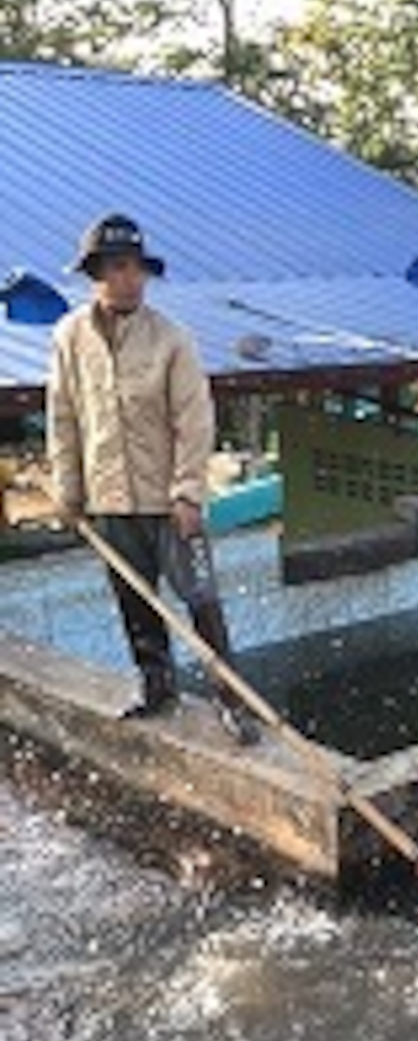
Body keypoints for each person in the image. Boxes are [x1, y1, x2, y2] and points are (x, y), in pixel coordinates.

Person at [45, 213, 260, 745]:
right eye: (118, 268)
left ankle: (231, 700)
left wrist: (189, 490)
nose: (130, 279)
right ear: (96, 272)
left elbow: (195, 420)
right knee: (135, 602)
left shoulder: (171, 339)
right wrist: (69, 491)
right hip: (109, 499)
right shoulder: (70, 337)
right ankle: (156, 687)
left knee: (201, 600)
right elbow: (64, 417)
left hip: (170, 501)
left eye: (138, 268)